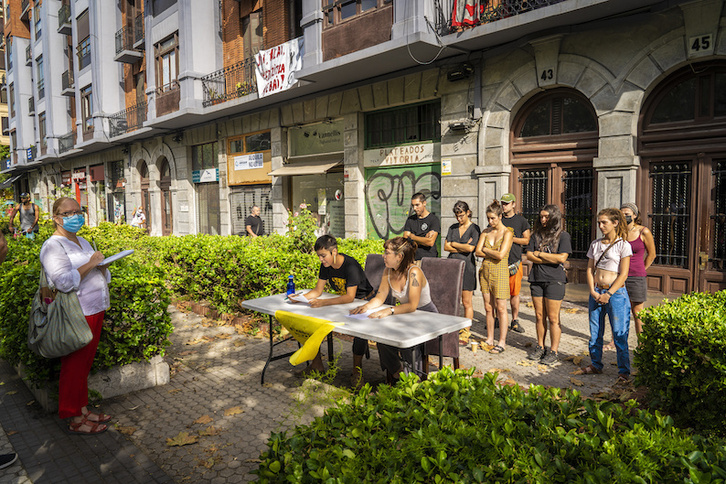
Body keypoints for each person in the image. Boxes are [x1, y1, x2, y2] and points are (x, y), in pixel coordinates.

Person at [40, 197, 113, 434]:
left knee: (84, 365)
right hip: (76, 313)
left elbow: (95, 272)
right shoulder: (53, 246)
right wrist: (92, 263)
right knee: (73, 366)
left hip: (95, 308)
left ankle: (82, 410)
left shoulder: (81, 240)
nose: (76, 216)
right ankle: (73, 417)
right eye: (68, 212)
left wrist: (102, 266)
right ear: (56, 218)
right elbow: (62, 282)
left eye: (78, 211)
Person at [350, 237, 438, 380]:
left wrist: (389, 310)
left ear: (399, 256)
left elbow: (412, 305)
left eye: (387, 253)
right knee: (382, 336)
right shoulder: (388, 271)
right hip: (407, 314)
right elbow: (380, 297)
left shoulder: (414, 272)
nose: (383, 256)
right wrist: (365, 307)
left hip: (426, 315)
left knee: (408, 339)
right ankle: (398, 372)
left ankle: (415, 378)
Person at [293, 235, 375, 386]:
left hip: (364, 302)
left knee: (359, 332)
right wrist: (299, 297)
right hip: (343, 303)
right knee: (311, 321)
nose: (321, 260)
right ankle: (316, 365)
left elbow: (350, 297)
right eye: (319, 256)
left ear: (334, 252)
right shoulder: (325, 266)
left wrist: (323, 303)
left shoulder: (350, 265)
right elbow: (318, 290)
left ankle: (357, 371)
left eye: (323, 256)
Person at [582, 208, 632, 382]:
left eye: (604, 222)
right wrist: (592, 290)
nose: (601, 226)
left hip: (615, 293)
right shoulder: (595, 244)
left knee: (619, 333)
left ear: (615, 223)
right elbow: (589, 269)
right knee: (595, 331)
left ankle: (624, 371)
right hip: (597, 291)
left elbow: (623, 274)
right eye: (599, 222)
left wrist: (609, 293)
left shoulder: (623, 245)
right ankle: (596, 364)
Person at [525, 205, 572, 365]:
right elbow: (529, 255)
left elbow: (561, 258)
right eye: (541, 216)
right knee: (539, 316)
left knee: (553, 317)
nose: (543, 220)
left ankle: (553, 351)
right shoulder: (535, 235)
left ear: (554, 217)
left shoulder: (563, 236)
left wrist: (540, 254)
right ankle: (540, 346)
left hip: (555, 280)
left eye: (546, 217)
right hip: (537, 279)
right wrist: (546, 257)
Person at [475, 200, 514, 354]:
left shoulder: (507, 233)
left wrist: (485, 249)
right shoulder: (485, 232)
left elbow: (501, 255)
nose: (490, 221)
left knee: (501, 308)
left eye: (493, 218)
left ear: (500, 216)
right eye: (488, 218)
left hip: (500, 272)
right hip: (485, 271)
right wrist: (488, 251)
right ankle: (490, 338)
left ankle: (502, 342)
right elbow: (477, 252)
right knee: (488, 307)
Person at [444, 201, 480, 324]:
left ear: (468, 213)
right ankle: (452, 326)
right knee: (452, 300)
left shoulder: (474, 228)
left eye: (462, 215)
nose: (459, 219)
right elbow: (446, 247)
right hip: (451, 267)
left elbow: (471, 249)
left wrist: (454, 244)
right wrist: (463, 246)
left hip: (467, 268)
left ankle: (466, 330)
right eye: (457, 216)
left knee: (466, 301)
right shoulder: (453, 228)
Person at [500, 193, 531, 334]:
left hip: (514, 262)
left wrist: (511, 238)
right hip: (499, 261)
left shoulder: (521, 221)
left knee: (514, 293)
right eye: (502, 203)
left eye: (506, 203)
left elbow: (526, 240)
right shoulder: (498, 219)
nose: (504, 206)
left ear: (513, 204)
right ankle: (497, 318)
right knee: (498, 294)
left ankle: (515, 320)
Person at [403, 192, 440, 260]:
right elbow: (405, 239)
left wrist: (412, 236)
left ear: (424, 203)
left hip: (429, 259)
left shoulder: (433, 219)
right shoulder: (410, 219)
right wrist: (424, 239)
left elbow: (430, 242)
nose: (414, 208)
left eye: (417, 205)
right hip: (413, 258)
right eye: (413, 205)